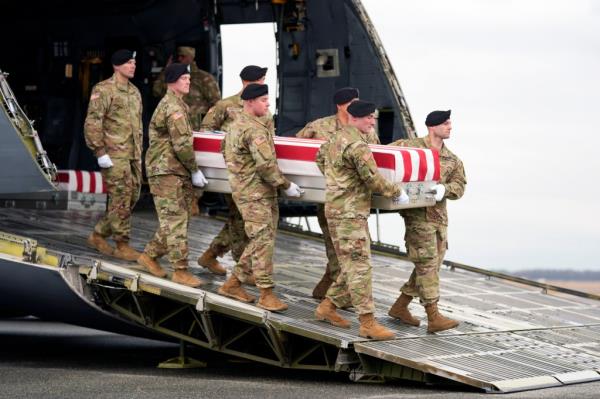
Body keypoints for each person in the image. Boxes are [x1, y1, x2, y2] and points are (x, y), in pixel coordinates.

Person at [314, 100, 409, 340]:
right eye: (368, 118)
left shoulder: (334, 139)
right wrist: (398, 192)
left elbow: (319, 159)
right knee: (360, 267)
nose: (372, 121)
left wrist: (339, 182)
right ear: (355, 118)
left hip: (337, 210)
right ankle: (367, 323)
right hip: (350, 214)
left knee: (352, 264)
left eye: (373, 117)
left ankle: (328, 306)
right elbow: (373, 180)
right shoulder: (357, 146)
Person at [218, 83, 303, 311]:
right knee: (263, 240)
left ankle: (234, 283)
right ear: (250, 102)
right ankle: (266, 294)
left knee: (261, 239)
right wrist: (286, 185)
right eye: (264, 100)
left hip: (247, 190)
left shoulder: (234, 127)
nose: (268, 104)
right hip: (256, 193)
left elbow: (223, 152)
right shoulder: (254, 130)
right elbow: (266, 165)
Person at [296, 87, 380, 299]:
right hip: (329, 198)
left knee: (350, 249)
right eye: (350, 102)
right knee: (339, 248)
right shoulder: (318, 127)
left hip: (355, 201)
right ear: (340, 106)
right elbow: (299, 150)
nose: (355, 104)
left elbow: (376, 156)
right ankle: (334, 299)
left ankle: (328, 291)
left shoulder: (367, 131)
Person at [387, 110, 466, 333]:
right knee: (427, 264)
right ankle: (433, 316)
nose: (450, 127)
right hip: (417, 217)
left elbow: (460, 186)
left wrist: (446, 189)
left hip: (439, 220)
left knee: (429, 265)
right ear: (433, 126)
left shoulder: (452, 159)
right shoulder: (409, 147)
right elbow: (382, 159)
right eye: (446, 123)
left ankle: (400, 306)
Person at [137, 63, 208, 288]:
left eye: (189, 78)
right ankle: (180, 270)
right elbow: (181, 144)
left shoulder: (178, 105)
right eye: (184, 78)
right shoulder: (174, 108)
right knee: (176, 220)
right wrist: (195, 169)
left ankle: (149, 255)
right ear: (172, 81)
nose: (188, 81)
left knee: (177, 219)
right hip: (166, 170)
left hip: (173, 169)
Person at [196, 65, 270, 278]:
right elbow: (206, 132)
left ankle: (212, 254)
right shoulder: (226, 105)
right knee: (239, 218)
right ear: (249, 81)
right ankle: (244, 271)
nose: (263, 83)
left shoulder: (264, 107)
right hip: (233, 172)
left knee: (241, 218)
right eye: (261, 79)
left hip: (256, 174)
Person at [84, 49, 143, 262]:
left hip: (133, 154)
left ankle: (98, 234)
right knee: (121, 197)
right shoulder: (104, 89)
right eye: (128, 62)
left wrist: (138, 154)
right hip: (114, 154)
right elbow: (93, 121)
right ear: (116, 66)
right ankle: (122, 244)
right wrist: (99, 151)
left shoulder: (135, 91)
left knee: (132, 196)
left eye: (134, 62)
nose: (133, 66)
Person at [152, 46, 221, 130]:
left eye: (183, 56)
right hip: (175, 126)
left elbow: (216, 104)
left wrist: (207, 126)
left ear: (191, 57)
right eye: (178, 57)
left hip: (197, 127)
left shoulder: (204, 78)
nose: (180, 59)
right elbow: (157, 91)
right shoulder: (173, 76)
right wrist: (167, 70)